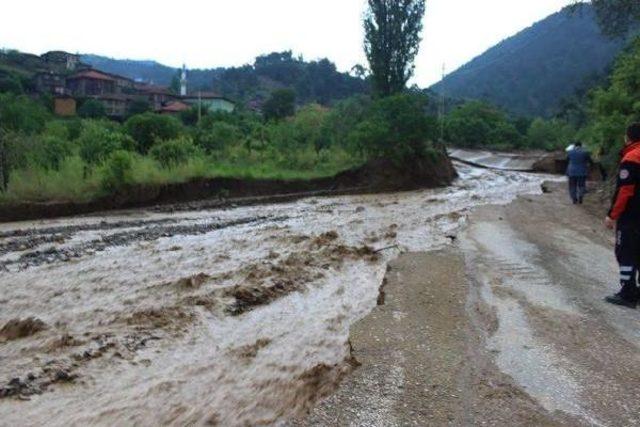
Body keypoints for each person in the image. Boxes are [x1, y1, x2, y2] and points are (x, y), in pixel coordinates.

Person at [605, 123, 640, 309]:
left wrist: (612, 215)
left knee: (626, 251)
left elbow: (625, 191)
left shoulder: (632, 157)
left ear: (628, 137)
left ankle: (627, 293)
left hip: (632, 216)